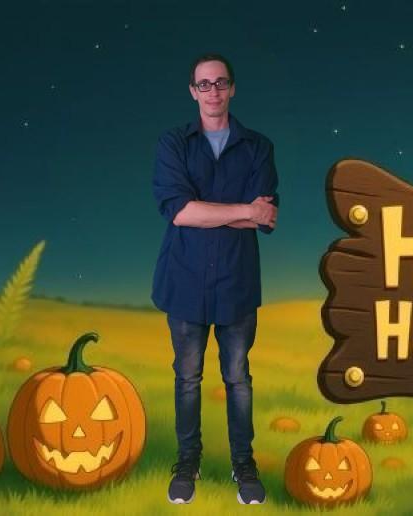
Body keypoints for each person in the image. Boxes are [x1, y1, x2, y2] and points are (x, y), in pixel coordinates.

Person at [151, 53, 278, 505]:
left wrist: (211, 212)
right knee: (187, 377)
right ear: (193, 91)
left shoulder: (258, 147)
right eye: (204, 84)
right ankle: (188, 461)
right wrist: (242, 210)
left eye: (221, 83)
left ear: (232, 89)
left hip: (236, 283)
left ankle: (244, 465)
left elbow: (267, 217)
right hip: (184, 281)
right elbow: (180, 212)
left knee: (238, 377)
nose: (213, 91)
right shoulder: (173, 144)